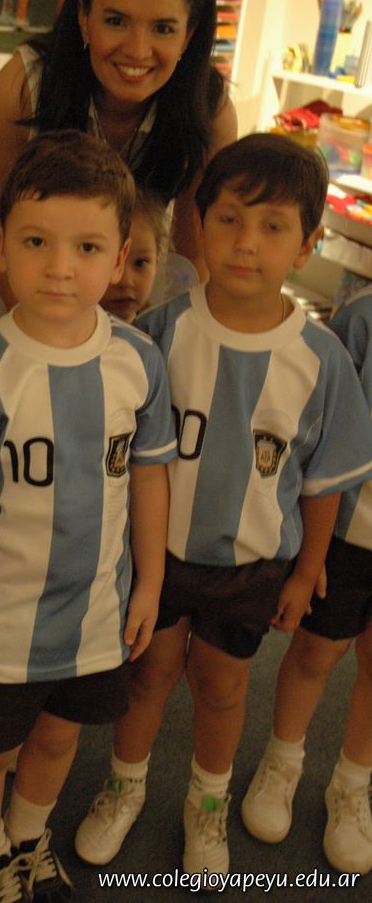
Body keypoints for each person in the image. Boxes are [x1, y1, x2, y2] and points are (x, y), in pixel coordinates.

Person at [74, 133, 372, 879]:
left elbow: (325, 482)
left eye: (273, 226)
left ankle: (207, 803)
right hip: (158, 558)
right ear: (199, 225)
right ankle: (125, 786)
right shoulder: (159, 334)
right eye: (231, 219)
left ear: (307, 245)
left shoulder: (323, 360)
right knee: (148, 676)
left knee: (223, 685)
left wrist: (306, 571)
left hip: (252, 565)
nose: (247, 243)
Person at [0, 129, 177, 903]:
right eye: (37, 242)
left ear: (120, 255)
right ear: (1, 246)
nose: (61, 267)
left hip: (97, 609)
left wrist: (149, 585)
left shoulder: (138, 361)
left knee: (61, 736)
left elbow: (149, 477)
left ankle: (27, 837)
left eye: (87, 247)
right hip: (0, 613)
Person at [0, 0, 237, 331]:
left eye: (163, 29)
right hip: (24, 296)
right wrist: (42, 323)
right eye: (116, 21)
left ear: (188, 35)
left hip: (134, 306)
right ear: (84, 17)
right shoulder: (23, 86)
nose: (138, 50)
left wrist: (171, 333)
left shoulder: (209, 110)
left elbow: (193, 247)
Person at [241, 284, 372, 877]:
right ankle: (283, 761)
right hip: (352, 527)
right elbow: (321, 431)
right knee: (317, 651)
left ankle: (353, 783)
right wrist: (310, 551)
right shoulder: (361, 319)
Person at [99, 187, 166, 323]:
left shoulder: (163, 329)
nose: (126, 281)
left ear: (157, 259)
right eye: (113, 264)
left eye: (140, 263)